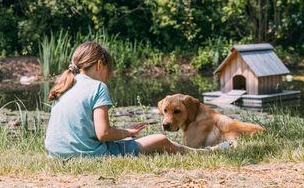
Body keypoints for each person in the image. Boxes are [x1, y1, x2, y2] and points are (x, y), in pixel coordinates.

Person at [45, 42, 232, 158]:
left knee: (136, 142)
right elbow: (103, 134)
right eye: (108, 72)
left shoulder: (64, 85)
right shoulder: (97, 87)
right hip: (89, 156)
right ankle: (206, 153)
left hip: (56, 154)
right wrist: (127, 132)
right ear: (100, 64)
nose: (107, 77)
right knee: (160, 139)